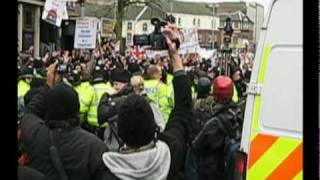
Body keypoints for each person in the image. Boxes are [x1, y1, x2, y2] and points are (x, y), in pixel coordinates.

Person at [100, 25, 193, 180]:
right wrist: (174, 54)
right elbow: (183, 108)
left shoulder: (106, 170)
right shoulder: (170, 153)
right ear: (153, 127)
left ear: (120, 131)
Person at [20, 62, 108, 180]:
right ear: (77, 110)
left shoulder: (35, 135)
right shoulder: (95, 147)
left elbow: (29, 113)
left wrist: (49, 85)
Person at [192, 75, 243, 180]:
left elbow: (196, 146)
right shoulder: (240, 113)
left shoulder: (214, 123)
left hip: (212, 172)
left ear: (215, 95)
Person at [86, 67, 117, 138]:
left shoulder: (91, 89)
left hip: (93, 124)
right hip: (109, 124)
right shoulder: (111, 89)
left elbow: (83, 107)